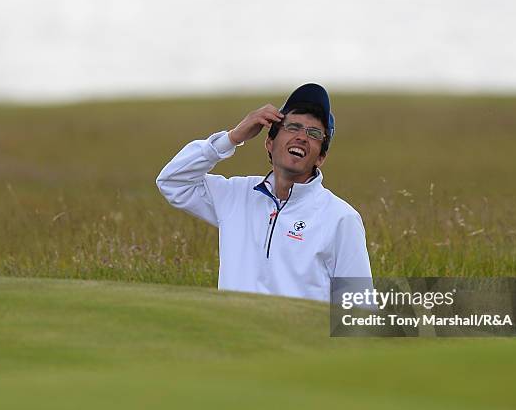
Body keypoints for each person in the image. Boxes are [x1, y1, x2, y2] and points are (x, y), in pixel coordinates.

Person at [156, 83, 372, 302]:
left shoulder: (341, 218)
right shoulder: (236, 194)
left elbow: (359, 309)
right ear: (269, 142)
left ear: (320, 158)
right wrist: (232, 137)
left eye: (314, 133)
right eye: (293, 127)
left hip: (297, 336)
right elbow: (172, 181)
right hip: (232, 334)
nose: (302, 137)